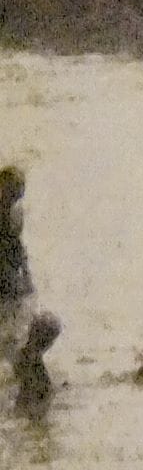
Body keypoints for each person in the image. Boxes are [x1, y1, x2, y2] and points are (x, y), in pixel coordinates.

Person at [1, 166, 54, 398]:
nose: (18, 193)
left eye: (19, 189)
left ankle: (19, 364)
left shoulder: (16, 212)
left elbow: (18, 246)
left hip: (12, 277)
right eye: (13, 188)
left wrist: (26, 273)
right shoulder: (9, 212)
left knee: (18, 325)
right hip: (7, 276)